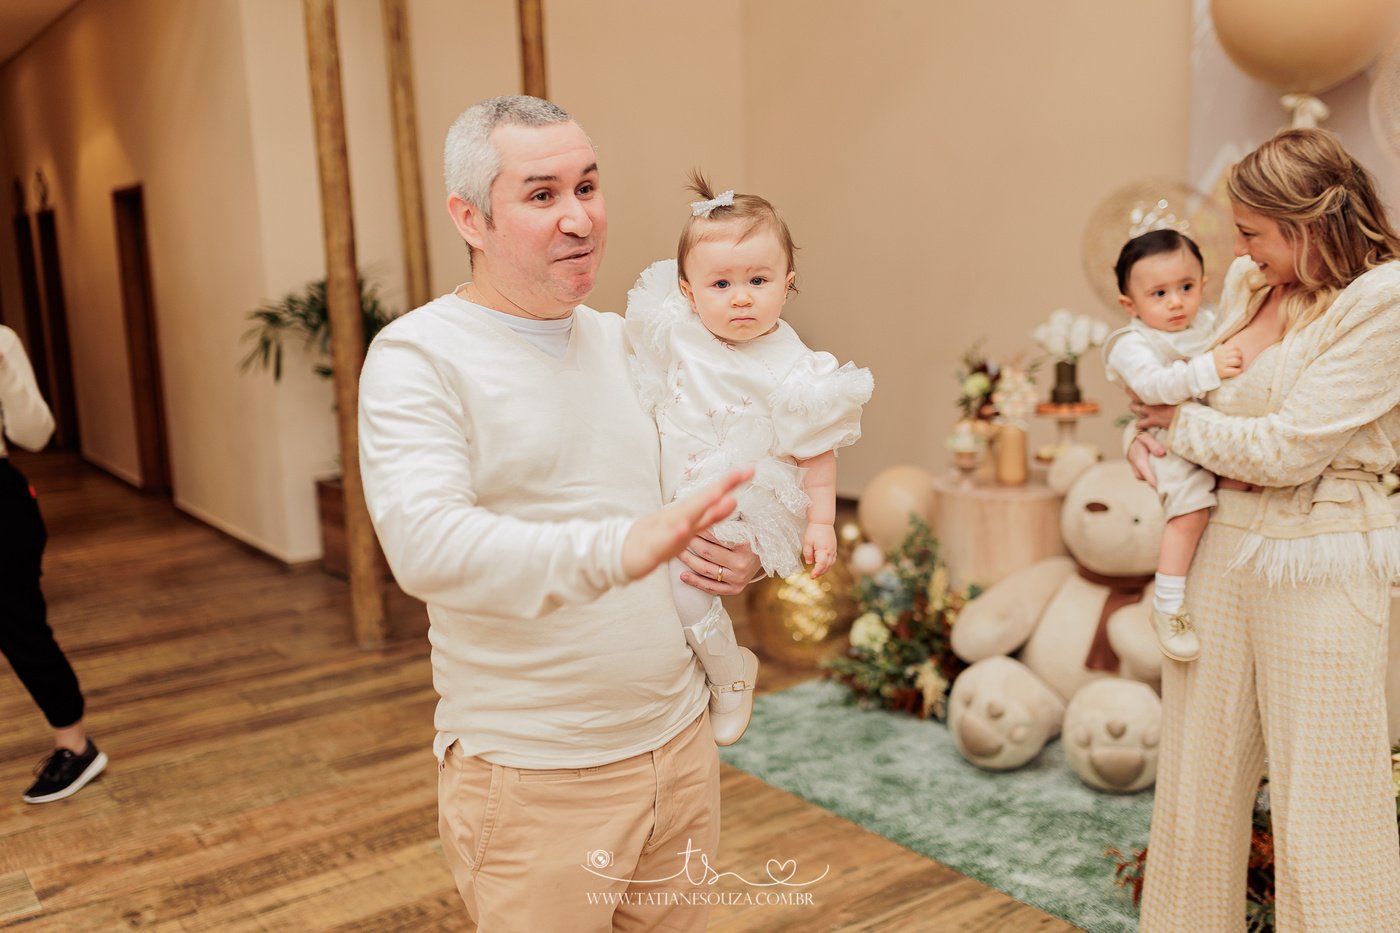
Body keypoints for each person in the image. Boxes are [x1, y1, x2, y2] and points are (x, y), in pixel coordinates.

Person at [358, 96, 764, 932]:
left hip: (680, 747)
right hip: (537, 781)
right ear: (469, 218)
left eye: (587, 186)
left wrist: (746, 542)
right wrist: (621, 547)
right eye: (542, 195)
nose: (579, 217)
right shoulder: (417, 356)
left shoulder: (627, 342)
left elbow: (710, 463)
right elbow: (427, 545)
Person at [1126, 128, 1400, 932]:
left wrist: (1177, 427)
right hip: (1221, 543)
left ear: (1309, 223)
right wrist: (1149, 432)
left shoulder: (1383, 302)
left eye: (1252, 232)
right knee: (1195, 785)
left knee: (1328, 802)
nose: (1240, 251)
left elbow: (1287, 450)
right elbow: (1187, 393)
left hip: (1318, 558)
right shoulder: (1253, 282)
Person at [625, 173, 872, 745]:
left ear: (787, 283)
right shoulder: (677, 329)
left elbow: (816, 453)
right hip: (670, 481)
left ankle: (731, 672)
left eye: (758, 280)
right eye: (721, 283)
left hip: (738, 488)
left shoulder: (795, 367)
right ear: (688, 291)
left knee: (685, 582)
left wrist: (821, 522)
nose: (741, 297)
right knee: (658, 588)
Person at [1102, 229, 1243, 662]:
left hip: (1211, 433)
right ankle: (1167, 605)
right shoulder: (1131, 343)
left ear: (1203, 284)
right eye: (1159, 294)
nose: (1176, 303)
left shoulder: (1209, 322)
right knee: (1191, 511)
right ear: (1131, 305)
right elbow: (1151, 387)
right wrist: (1207, 368)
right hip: (1169, 443)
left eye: (1186, 287)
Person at [0, 325, 107, 803]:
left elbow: (35, 434)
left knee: (18, 626)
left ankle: (76, 747)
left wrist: (2, 369)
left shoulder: (1, 342)